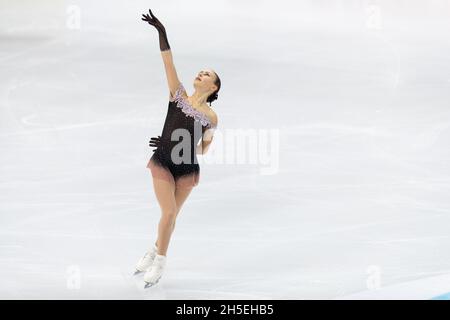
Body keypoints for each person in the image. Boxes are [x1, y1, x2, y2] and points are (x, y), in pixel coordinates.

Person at [135, 9, 221, 288]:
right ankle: (160, 261)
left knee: (170, 216)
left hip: (186, 168)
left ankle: (153, 249)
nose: (201, 73)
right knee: (169, 214)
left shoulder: (211, 117)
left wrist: (188, 144)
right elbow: (168, 62)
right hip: (162, 161)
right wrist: (162, 32)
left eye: (206, 74)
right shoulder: (178, 94)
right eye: (200, 71)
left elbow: (203, 150)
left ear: (214, 86)